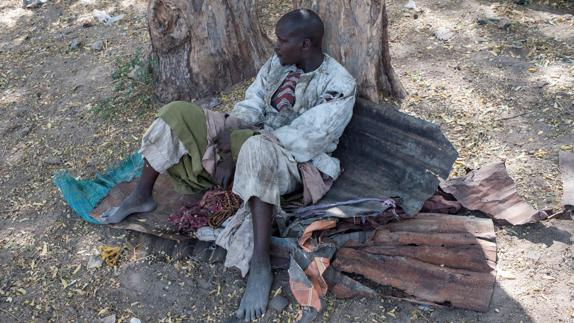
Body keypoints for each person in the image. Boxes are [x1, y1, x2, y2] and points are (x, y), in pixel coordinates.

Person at [100, 8, 356, 321]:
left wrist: (236, 145)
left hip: (292, 161)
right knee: (176, 113)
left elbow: (306, 139)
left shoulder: (339, 84)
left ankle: (259, 263)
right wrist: (230, 134)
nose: (275, 46)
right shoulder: (278, 64)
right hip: (249, 137)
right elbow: (251, 103)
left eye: (282, 41)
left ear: (306, 44)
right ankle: (141, 194)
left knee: (256, 148)